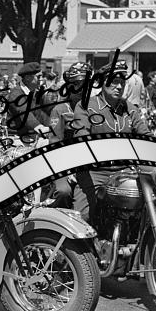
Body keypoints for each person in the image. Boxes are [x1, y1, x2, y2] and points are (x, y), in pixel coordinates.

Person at [71, 61, 153, 223]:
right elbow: (81, 135)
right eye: (114, 81)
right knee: (82, 218)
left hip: (125, 171)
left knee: (148, 207)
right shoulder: (86, 106)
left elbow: (145, 134)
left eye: (122, 82)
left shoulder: (130, 108)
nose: (119, 86)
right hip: (95, 171)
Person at [46, 62, 92, 209]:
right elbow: (55, 145)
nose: (82, 89)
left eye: (86, 84)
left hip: (89, 167)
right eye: (77, 84)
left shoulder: (95, 109)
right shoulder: (60, 110)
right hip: (64, 165)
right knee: (63, 192)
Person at [5, 62, 51, 137]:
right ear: (27, 78)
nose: (42, 79)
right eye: (38, 77)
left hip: (34, 134)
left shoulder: (37, 92)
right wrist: (39, 127)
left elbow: (50, 108)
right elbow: (24, 112)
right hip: (17, 136)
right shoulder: (16, 94)